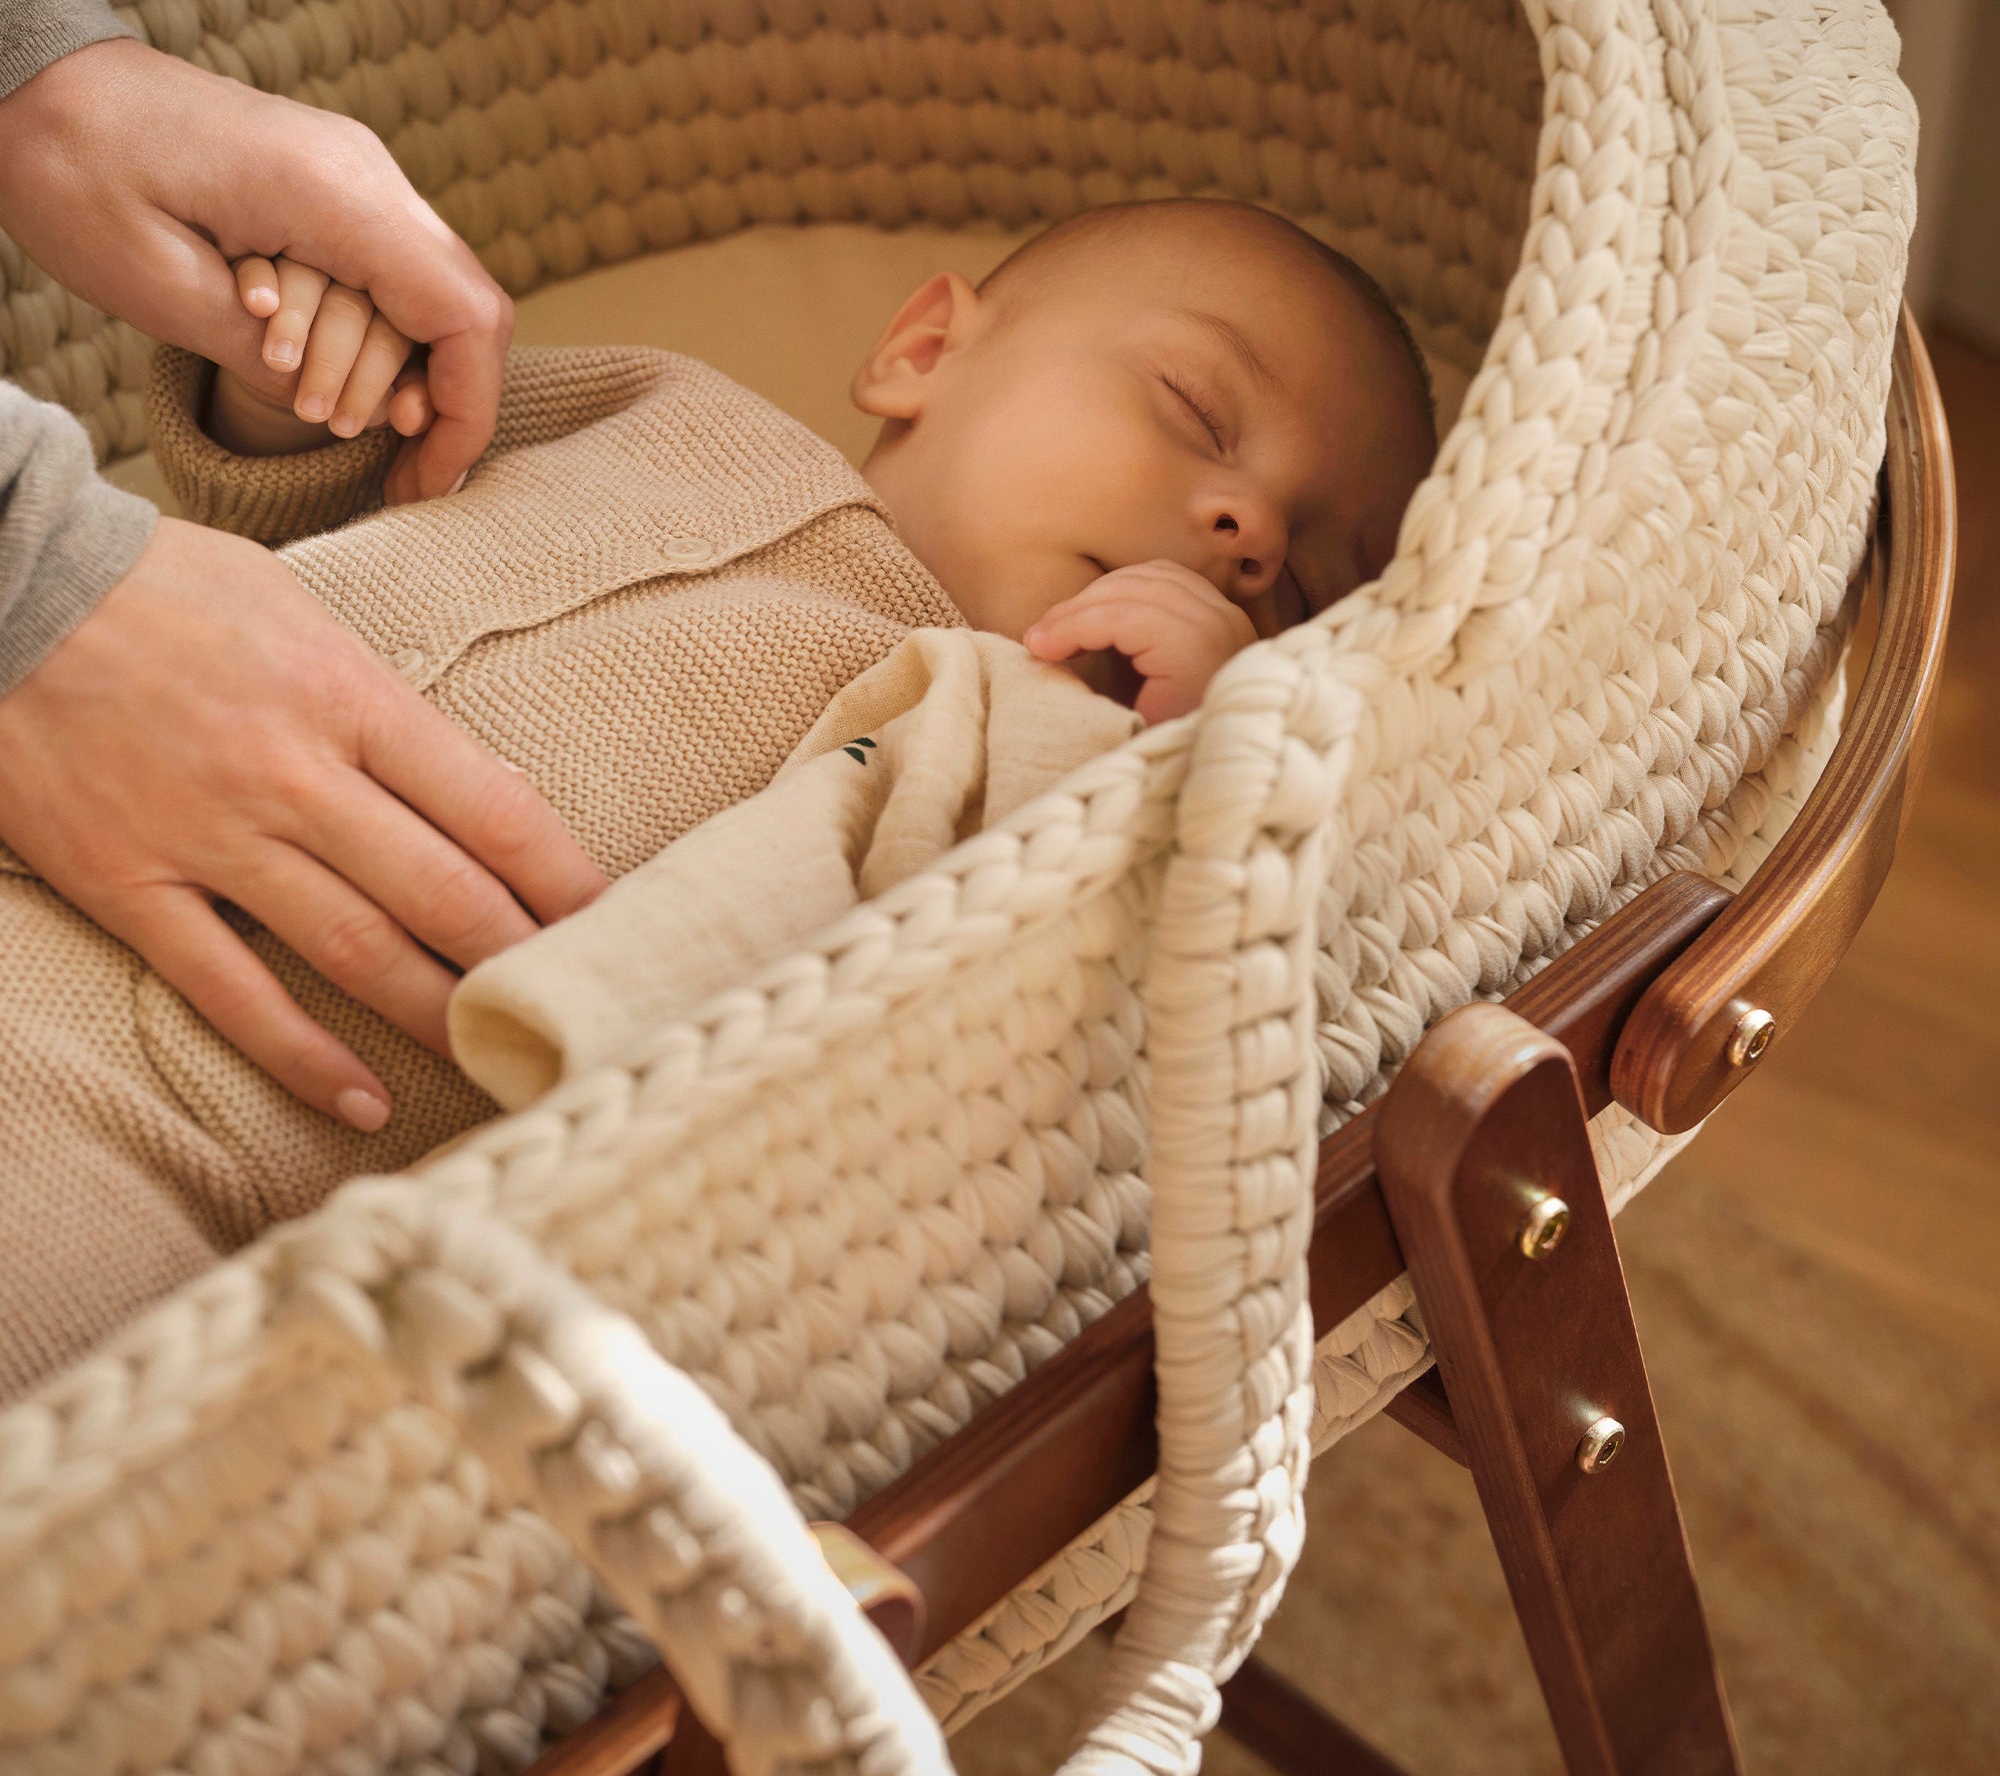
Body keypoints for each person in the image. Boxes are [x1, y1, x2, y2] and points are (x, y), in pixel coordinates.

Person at [0, 193, 1434, 1401]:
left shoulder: (1004, 753)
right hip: (68, 762)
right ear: (924, 352)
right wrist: (294, 396)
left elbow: (982, 1036)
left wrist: (1172, 762)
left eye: (1303, 589)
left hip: (172, 1156)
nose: (1249, 534)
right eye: (1197, 410)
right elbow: (341, 502)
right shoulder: (665, 407)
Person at [0, 0, 607, 1140]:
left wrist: (37, 60)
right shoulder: (674, 424)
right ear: (925, 348)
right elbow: (377, 533)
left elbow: (253, 596)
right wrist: (38, 574)